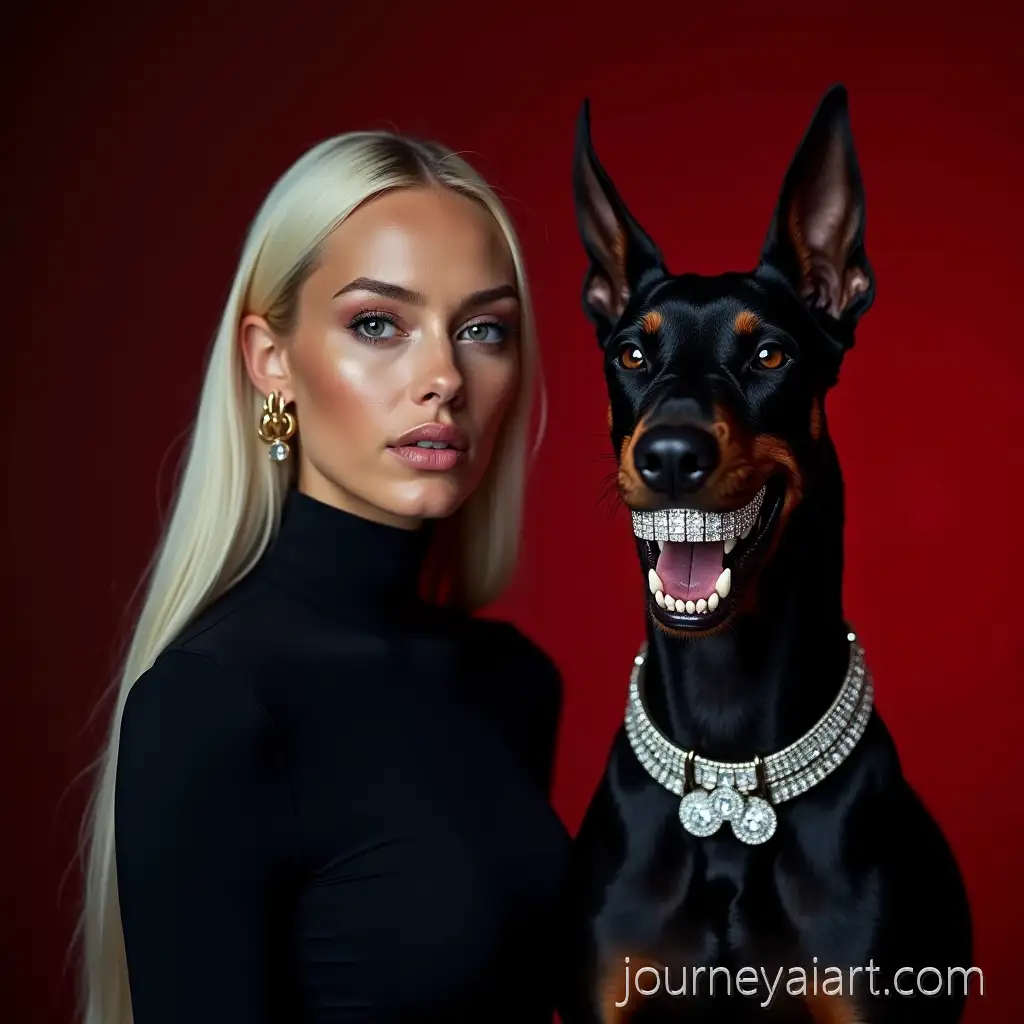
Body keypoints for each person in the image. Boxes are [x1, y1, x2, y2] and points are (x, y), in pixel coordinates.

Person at [78, 130, 569, 1023]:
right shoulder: (213, 703)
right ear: (272, 361)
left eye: (482, 330)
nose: (444, 378)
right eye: (378, 324)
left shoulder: (513, 683)